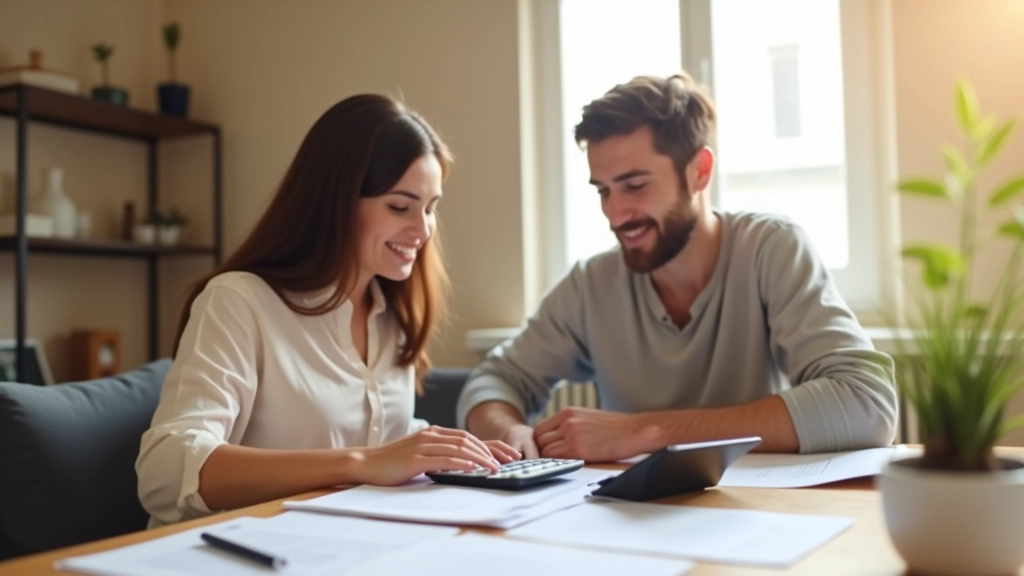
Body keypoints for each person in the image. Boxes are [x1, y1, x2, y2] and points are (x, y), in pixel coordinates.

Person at [458, 72, 898, 461]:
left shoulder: (770, 249)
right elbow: (494, 381)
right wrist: (510, 433)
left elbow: (867, 403)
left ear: (699, 171)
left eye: (634, 185)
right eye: (603, 191)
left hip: (756, 519)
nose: (615, 214)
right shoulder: (593, 284)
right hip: (629, 526)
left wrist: (646, 432)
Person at [137, 94, 520, 527]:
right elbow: (164, 473)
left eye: (431, 208)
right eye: (400, 206)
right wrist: (360, 461)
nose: (423, 229)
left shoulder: (391, 316)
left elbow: (374, 440)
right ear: (335, 200)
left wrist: (434, 449)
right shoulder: (238, 302)